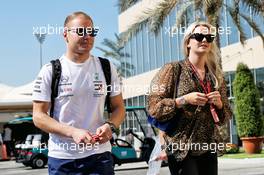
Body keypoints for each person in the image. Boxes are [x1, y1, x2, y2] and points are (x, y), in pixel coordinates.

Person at [32, 11, 125, 175]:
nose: (87, 36)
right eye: (80, 31)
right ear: (65, 34)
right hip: (63, 159)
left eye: (91, 32)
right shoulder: (50, 70)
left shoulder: (107, 67)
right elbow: (39, 116)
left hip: (100, 157)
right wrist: (73, 132)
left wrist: (111, 126)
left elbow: (118, 108)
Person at [147, 21, 232, 175]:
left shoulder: (215, 76)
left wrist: (219, 105)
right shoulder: (173, 69)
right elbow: (154, 108)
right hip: (181, 146)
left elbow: (225, 117)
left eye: (209, 37)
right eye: (199, 36)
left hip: (207, 145)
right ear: (188, 43)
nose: (205, 40)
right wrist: (183, 100)